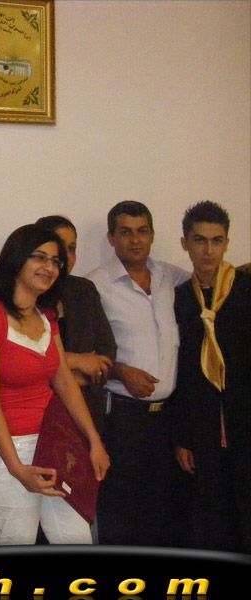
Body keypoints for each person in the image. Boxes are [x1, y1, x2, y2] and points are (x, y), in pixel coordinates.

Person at [0, 224, 110, 545]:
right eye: (39, 257)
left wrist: (93, 441)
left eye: (56, 261)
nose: (49, 267)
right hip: (11, 453)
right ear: (16, 259)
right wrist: (17, 468)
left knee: (77, 541)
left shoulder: (46, 318)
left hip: (54, 446)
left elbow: (65, 383)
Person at [86, 200, 189, 546]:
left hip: (168, 420)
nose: (135, 240)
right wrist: (120, 371)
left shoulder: (171, 278)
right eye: (125, 232)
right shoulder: (96, 285)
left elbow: (213, 282)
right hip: (122, 418)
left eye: (142, 231)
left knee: (166, 515)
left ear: (152, 235)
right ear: (111, 238)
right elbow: (83, 354)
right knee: (121, 514)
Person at [168, 201, 250, 552]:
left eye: (216, 241)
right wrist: (182, 436)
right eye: (199, 240)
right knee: (210, 518)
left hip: (244, 419)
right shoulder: (178, 299)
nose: (208, 250)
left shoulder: (245, 288)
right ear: (185, 243)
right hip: (202, 427)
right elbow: (181, 372)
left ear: (227, 243)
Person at [35, 216, 116, 434]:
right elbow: (21, 358)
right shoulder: (22, 294)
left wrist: (76, 378)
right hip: (33, 416)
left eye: (72, 249)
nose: (67, 257)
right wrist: (77, 361)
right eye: (60, 247)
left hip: (85, 415)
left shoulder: (84, 290)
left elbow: (107, 351)